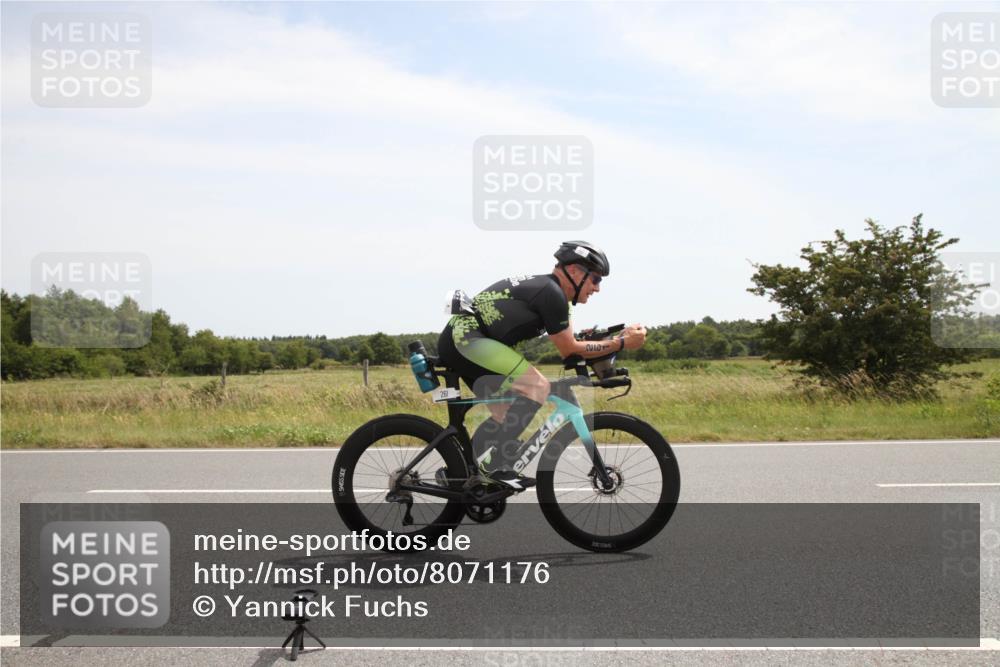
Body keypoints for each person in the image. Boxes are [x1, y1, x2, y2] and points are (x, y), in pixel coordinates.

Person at [436, 241, 647, 489]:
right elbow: (569, 349)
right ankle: (492, 467)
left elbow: (572, 347)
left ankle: (465, 472)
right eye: (596, 279)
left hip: (465, 341)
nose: (597, 288)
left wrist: (613, 340)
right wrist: (621, 343)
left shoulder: (559, 299)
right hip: (466, 339)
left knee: (504, 412)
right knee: (537, 386)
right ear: (575, 271)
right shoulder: (551, 293)